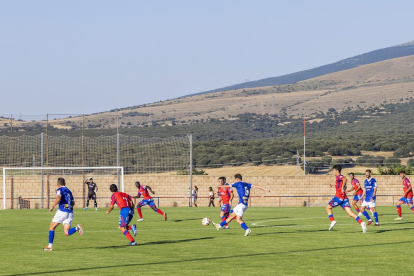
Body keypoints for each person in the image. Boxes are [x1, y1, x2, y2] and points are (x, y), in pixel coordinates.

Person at [43, 177, 83, 251]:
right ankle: (77, 227)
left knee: (51, 227)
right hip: (70, 212)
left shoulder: (59, 189)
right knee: (66, 232)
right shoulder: (69, 191)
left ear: (58, 184)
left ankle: (49, 246)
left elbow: (58, 198)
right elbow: (73, 203)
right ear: (65, 183)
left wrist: (52, 206)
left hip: (62, 211)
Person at [326, 165, 367, 233]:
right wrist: (334, 185)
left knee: (327, 208)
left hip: (339, 197)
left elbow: (345, 179)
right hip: (344, 198)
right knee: (350, 213)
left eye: (333, 170)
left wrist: (342, 187)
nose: (333, 172)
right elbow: (339, 184)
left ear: (337, 171)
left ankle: (332, 221)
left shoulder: (339, 176)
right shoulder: (338, 178)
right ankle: (362, 223)